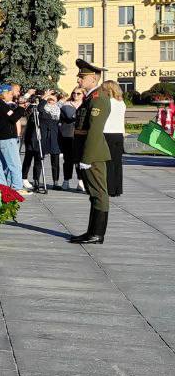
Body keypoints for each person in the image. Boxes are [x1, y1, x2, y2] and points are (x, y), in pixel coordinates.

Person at [70, 59, 115, 244]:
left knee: (98, 193)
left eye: (82, 76)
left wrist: (87, 158)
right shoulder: (90, 98)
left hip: (94, 155)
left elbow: (95, 131)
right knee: (93, 193)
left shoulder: (99, 99)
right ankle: (92, 232)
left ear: (93, 78)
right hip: (88, 153)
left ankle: (97, 233)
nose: (78, 79)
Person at [0, 83, 24, 189]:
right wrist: (22, 108)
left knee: (1, 163)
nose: (11, 95)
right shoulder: (0, 105)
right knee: (14, 163)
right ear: (4, 94)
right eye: (10, 93)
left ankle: (2, 186)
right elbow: (13, 118)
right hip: (6, 138)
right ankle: (17, 186)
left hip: (1, 137)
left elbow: (10, 116)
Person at [102, 80, 127, 200]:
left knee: (108, 162)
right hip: (118, 134)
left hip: (107, 133)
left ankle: (109, 188)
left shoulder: (107, 102)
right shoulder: (121, 102)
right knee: (117, 162)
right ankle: (117, 188)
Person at [39, 91, 63, 191]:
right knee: (39, 160)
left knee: (55, 161)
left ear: (56, 101)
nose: (51, 101)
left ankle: (56, 182)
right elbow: (40, 107)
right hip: (44, 137)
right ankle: (37, 180)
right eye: (49, 100)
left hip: (55, 137)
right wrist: (45, 97)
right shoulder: (42, 109)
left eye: (53, 99)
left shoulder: (59, 110)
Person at [59, 88, 81, 190]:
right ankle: (66, 180)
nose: (75, 95)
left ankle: (81, 182)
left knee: (80, 160)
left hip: (80, 135)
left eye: (78, 93)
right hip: (68, 135)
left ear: (83, 95)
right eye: (73, 93)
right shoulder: (66, 105)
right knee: (68, 159)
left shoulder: (86, 104)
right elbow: (68, 117)